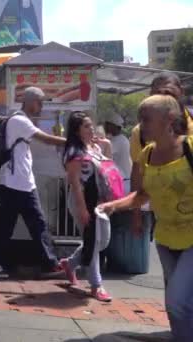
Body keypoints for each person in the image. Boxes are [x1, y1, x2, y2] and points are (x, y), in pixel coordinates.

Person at [100, 95, 193, 341]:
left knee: (178, 301)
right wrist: (113, 206)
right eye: (140, 119)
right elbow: (141, 195)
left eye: (147, 119)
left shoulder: (190, 149)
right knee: (177, 304)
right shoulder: (147, 154)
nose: (141, 125)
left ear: (169, 120)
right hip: (165, 239)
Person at [0, 87, 66, 279]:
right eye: (39, 102)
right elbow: (45, 139)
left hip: (20, 182)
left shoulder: (21, 121)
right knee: (16, 225)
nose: (41, 106)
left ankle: (49, 263)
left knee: (31, 224)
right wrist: (72, 141)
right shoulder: (19, 120)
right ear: (29, 102)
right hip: (14, 182)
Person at [129, 72, 193, 238]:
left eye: (169, 93)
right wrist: (136, 215)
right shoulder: (140, 133)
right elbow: (137, 175)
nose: (164, 98)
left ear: (182, 92)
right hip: (165, 224)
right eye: (158, 94)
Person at [60, 112, 112, 302]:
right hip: (82, 199)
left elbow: (107, 170)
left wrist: (106, 146)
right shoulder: (74, 151)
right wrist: (82, 208)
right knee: (93, 240)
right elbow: (74, 182)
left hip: (99, 201)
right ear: (77, 130)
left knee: (102, 240)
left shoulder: (95, 147)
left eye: (92, 125)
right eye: (86, 126)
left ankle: (71, 263)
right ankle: (96, 284)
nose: (91, 129)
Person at [104, 114, 131, 191]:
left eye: (107, 124)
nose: (105, 127)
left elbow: (102, 154)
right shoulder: (121, 139)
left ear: (114, 126)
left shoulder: (118, 141)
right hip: (123, 181)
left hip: (123, 182)